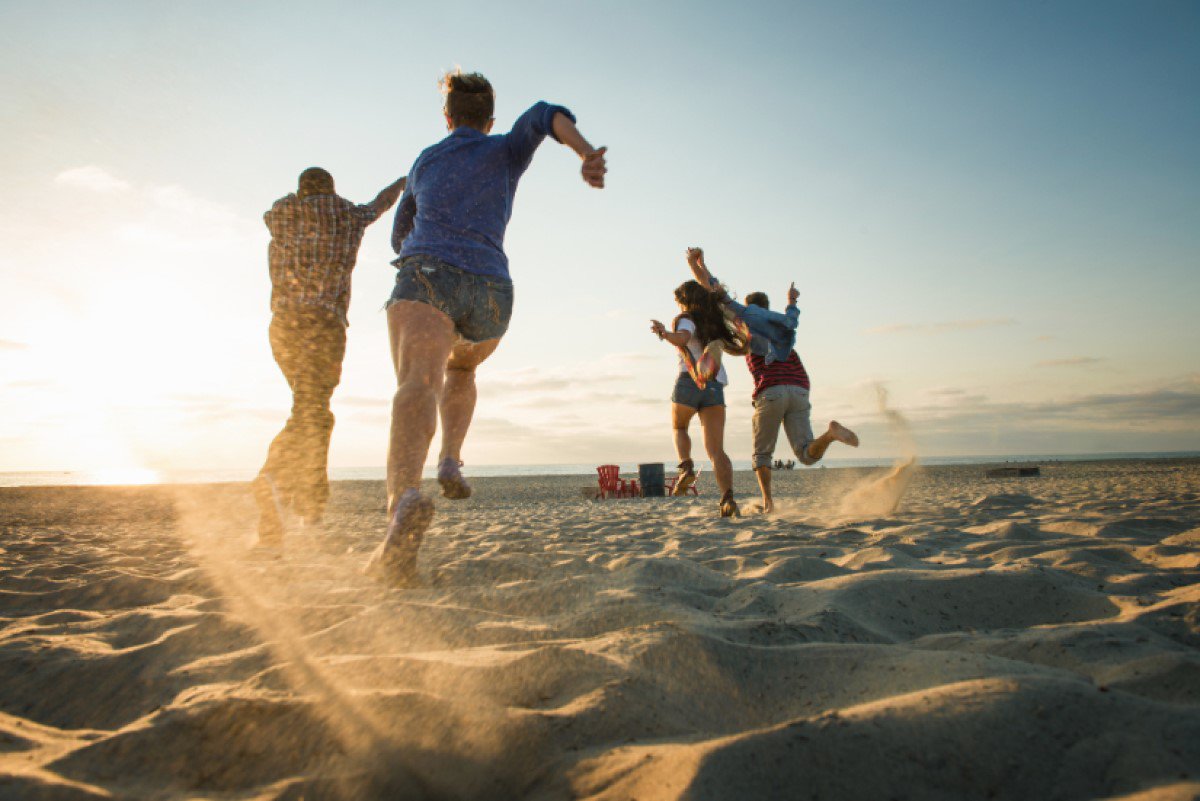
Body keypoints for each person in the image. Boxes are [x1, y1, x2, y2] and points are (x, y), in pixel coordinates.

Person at [367, 71, 607, 584]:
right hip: (492, 295)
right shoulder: (506, 150)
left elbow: (398, 235)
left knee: (418, 381)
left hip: (428, 276)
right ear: (490, 120)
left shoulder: (426, 160)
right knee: (462, 367)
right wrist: (585, 153)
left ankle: (404, 501)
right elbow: (546, 113)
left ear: (447, 118)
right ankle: (450, 460)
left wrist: (419, 256)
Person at [254, 167, 405, 546]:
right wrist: (405, 182)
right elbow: (381, 204)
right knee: (312, 408)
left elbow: (272, 212)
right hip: (323, 325)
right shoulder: (347, 216)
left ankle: (306, 496)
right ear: (332, 189)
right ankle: (276, 479)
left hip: (283, 327)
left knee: (312, 409)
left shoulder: (281, 214)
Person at [741, 286, 859, 512]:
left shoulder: (750, 332)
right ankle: (830, 434)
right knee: (806, 455)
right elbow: (791, 317)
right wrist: (792, 300)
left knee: (762, 454)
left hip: (772, 390)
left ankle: (768, 503)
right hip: (799, 388)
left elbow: (735, 333)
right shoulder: (781, 331)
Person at [650, 276, 749, 518]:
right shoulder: (714, 322)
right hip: (714, 384)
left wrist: (664, 333)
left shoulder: (686, 319)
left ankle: (686, 466)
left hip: (689, 380)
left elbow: (682, 337)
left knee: (679, 426)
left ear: (684, 301)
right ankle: (727, 498)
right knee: (717, 451)